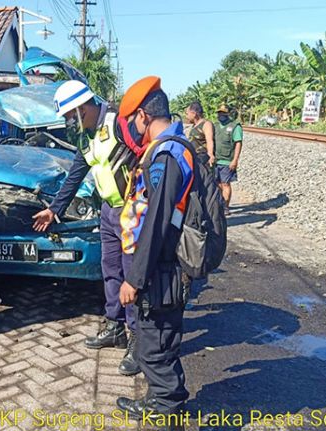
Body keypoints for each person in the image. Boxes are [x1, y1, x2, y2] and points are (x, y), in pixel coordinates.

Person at [31, 80, 143, 377]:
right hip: (107, 211)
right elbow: (75, 176)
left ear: (82, 108)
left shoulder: (120, 123)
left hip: (131, 212)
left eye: (70, 116)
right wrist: (54, 209)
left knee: (133, 275)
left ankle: (138, 340)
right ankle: (114, 326)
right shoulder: (86, 137)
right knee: (111, 270)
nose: (69, 122)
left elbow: (147, 154)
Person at [115, 76, 192, 427]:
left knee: (155, 342)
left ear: (144, 116)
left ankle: (168, 409)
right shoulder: (172, 147)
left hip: (161, 265)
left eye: (133, 121)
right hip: (161, 264)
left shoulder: (166, 155)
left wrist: (134, 277)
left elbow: (157, 221)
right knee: (153, 337)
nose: (133, 129)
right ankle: (157, 398)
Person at [214, 104, 243, 215]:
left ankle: (226, 207)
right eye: (219, 113)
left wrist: (235, 160)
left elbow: (238, 143)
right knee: (218, 184)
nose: (221, 115)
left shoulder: (235, 126)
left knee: (225, 184)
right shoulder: (215, 126)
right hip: (216, 160)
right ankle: (220, 204)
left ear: (228, 114)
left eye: (223, 113)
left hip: (227, 160)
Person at [184, 101, 215, 167]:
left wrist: (210, 155)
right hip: (194, 159)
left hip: (203, 159)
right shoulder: (193, 126)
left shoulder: (206, 124)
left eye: (187, 114)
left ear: (194, 114)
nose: (186, 116)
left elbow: (209, 140)